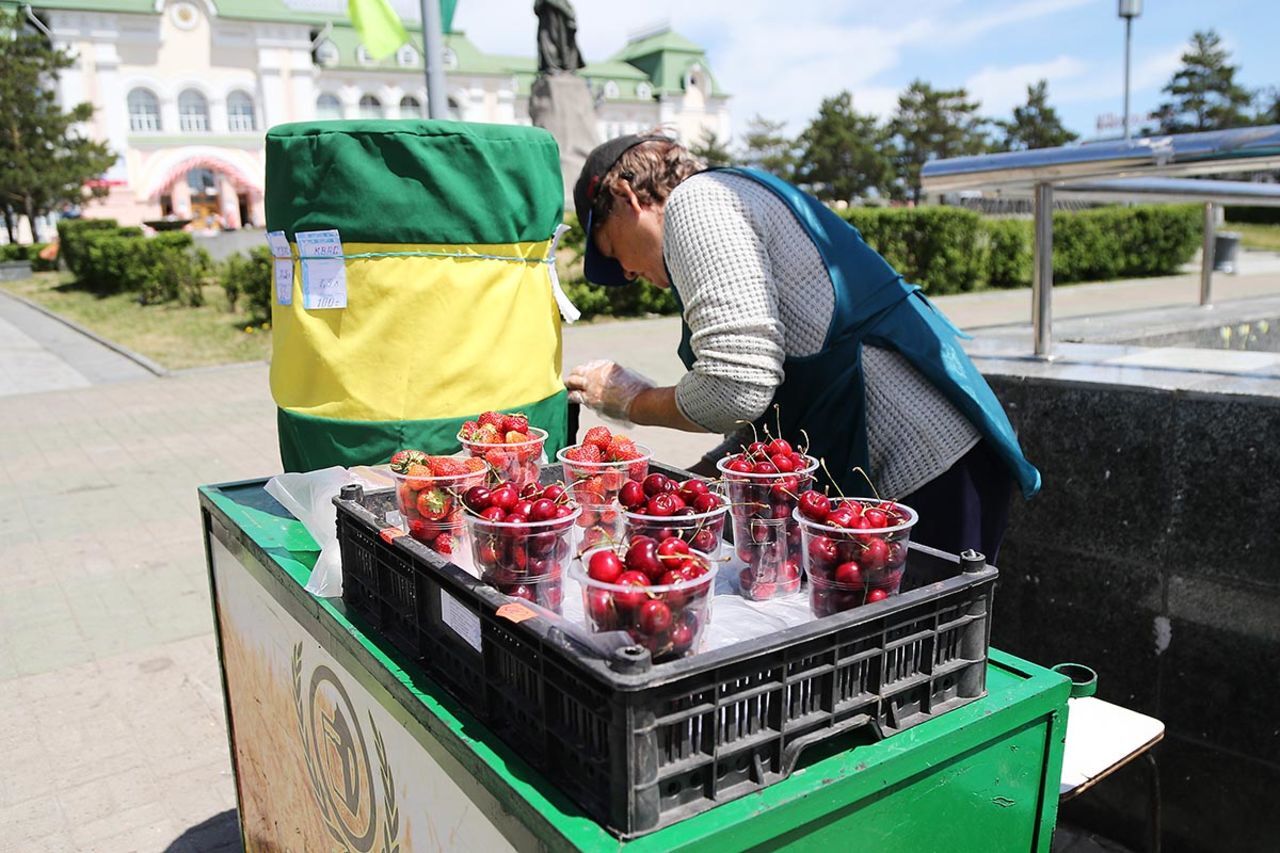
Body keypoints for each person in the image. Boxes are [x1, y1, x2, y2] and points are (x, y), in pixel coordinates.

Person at [563, 134, 1040, 561]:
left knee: (922, 653)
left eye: (610, 250)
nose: (625, 274)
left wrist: (629, 400)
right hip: (940, 466)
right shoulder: (736, 191)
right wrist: (705, 475)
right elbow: (782, 387)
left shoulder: (696, 202)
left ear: (627, 197)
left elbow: (736, 389)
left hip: (928, 472)